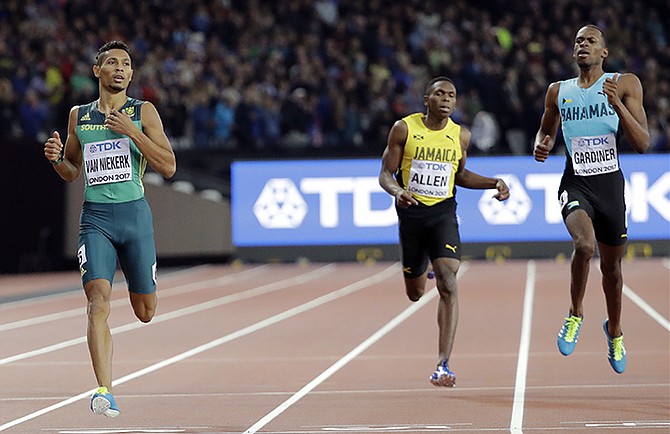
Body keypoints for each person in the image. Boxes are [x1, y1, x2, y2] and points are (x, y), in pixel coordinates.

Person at [43, 41, 176, 416]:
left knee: (145, 311)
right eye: (112, 62)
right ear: (97, 71)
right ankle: (105, 390)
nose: (120, 68)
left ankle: (143, 288)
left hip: (134, 218)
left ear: (131, 75)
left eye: (126, 64)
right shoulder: (78, 116)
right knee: (97, 302)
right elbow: (72, 171)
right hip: (95, 220)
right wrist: (56, 160)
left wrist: (133, 132)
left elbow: (168, 166)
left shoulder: (143, 111)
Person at [379, 76, 509, 387]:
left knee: (449, 282)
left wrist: (494, 182)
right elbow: (385, 174)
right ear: (427, 99)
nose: (447, 99)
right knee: (415, 293)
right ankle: (424, 265)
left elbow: (459, 175)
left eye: (452, 95)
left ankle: (443, 363)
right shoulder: (405, 129)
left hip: (442, 215)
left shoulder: (460, 136)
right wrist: (397, 191)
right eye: (440, 94)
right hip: (411, 216)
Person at [533, 25, 649, 374]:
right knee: (584, 246)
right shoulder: (558, 91)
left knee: (612, 270)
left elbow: (643, 143)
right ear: (573, 53)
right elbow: (546, 129)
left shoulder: (625, 83)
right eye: (578, 42)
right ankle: (575, 313)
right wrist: (543, 142)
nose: (583, 45)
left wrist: (616, 105)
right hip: (576, 183)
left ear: (604, 53)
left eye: (590, 41)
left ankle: (614, 331)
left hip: (610, 188)